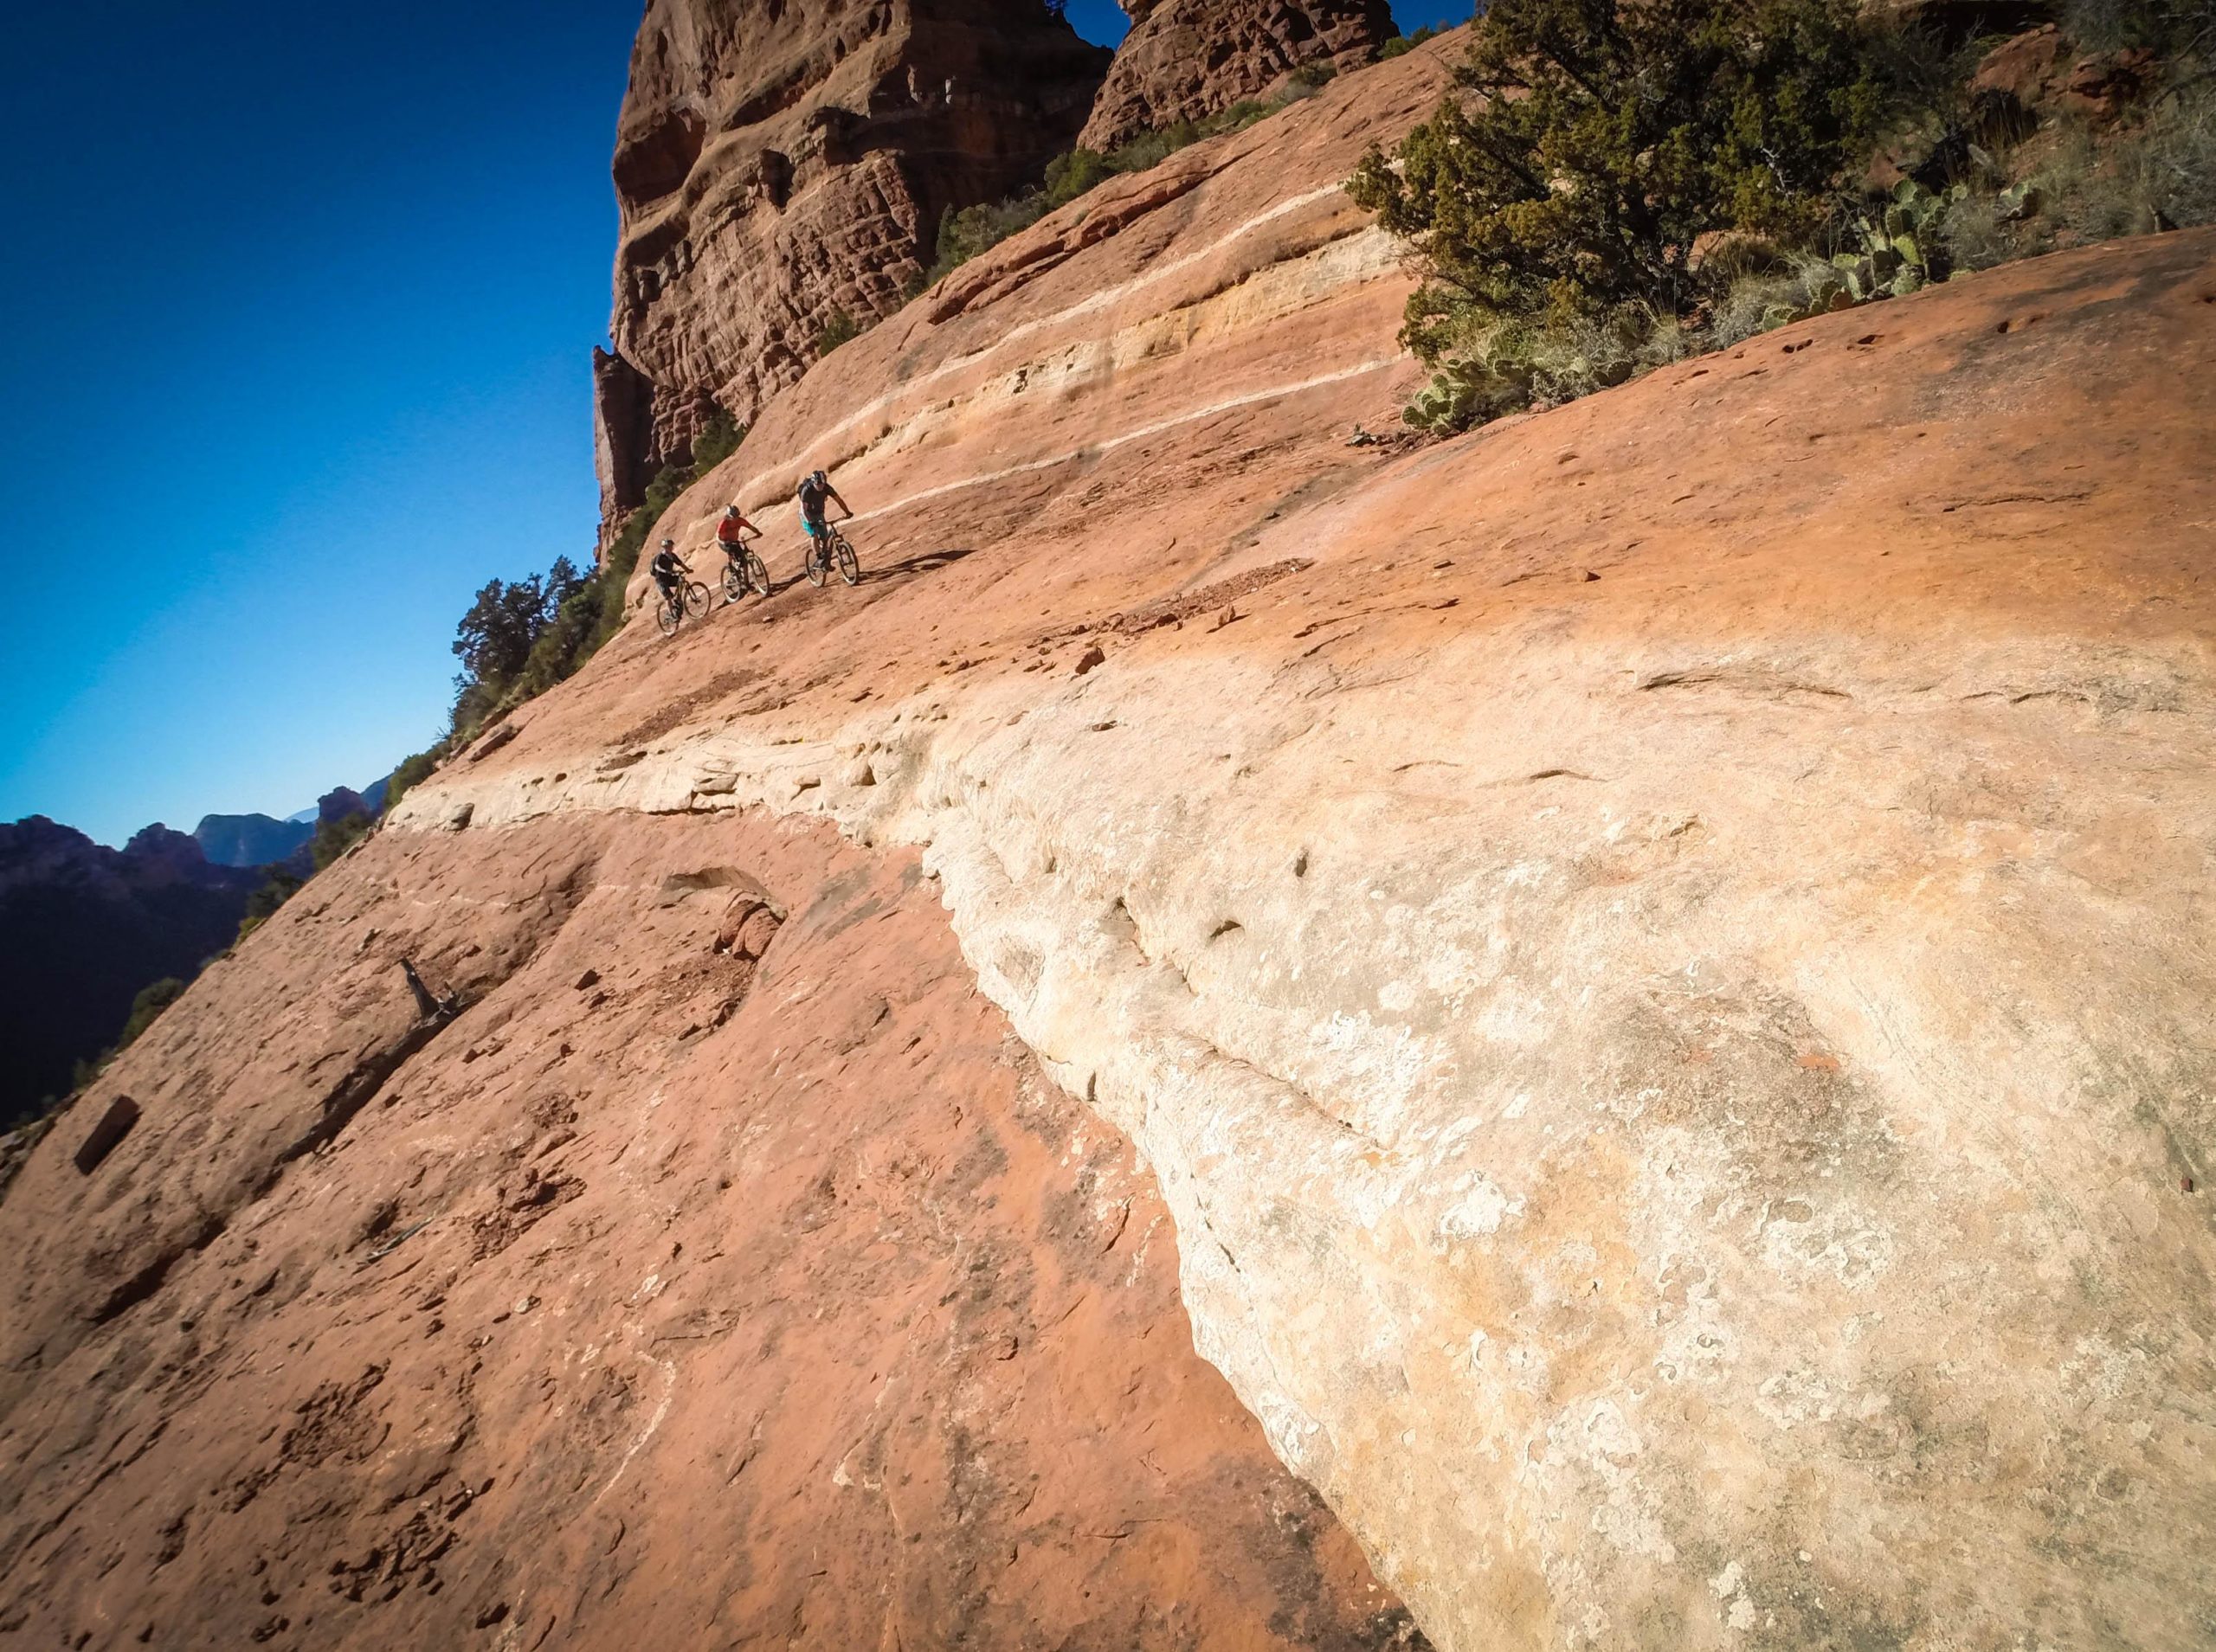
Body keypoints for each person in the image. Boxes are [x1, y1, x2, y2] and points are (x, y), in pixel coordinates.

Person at [796, 468, 851, 568]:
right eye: (818, 485)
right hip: (806, 514)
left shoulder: (827, 488)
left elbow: (839, 500)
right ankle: (819, 558)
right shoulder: (807, 490)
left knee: (824, 536)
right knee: (814, 533)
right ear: (813, 483)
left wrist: (847, 512)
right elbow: (803, 510)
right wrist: (810, 522)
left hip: (819, 512)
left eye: (822, 484)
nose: (821, 487)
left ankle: (826, 562)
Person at [648, 537, 690, 608]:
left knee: (681, 580)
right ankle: (671, 615)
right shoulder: (660, 556)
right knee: (669, 597)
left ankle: (679, 599)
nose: (671, 547)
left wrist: (688, 570)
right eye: (669, 546)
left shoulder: (672, 556)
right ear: (665, 547)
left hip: (669, 578)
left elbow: (680, 564)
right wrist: (664, 571)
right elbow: (657, 566)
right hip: (661, 580)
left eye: (671, 545)